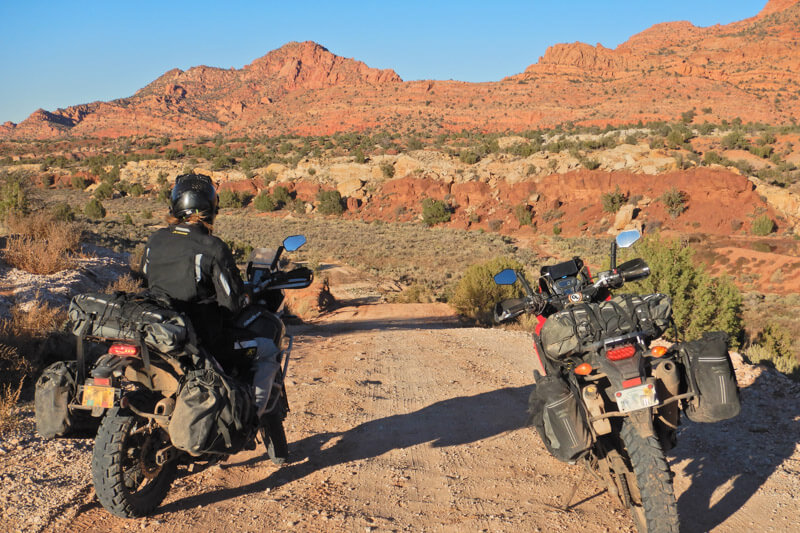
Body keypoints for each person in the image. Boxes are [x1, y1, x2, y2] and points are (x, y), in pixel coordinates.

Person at [140, 173, 279, 418]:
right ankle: (252, 417)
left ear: (175, 204)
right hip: (204, 340)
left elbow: (143, 278)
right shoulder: (212, 247)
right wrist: (244, 298)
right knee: (267, 349)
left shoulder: (155, 240)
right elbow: (231, 302)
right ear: (210, 208)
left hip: (159, 331)